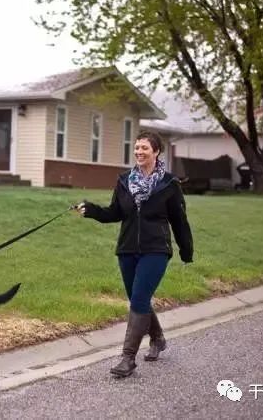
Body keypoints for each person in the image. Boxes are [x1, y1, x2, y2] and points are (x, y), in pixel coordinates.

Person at [75, 131, 193, 378]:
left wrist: (186, 250)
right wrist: (91, 210)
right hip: (127, 249)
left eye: (144, 149)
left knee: (139, 299)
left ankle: (127, 358)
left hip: (156, 249)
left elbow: (179, 220)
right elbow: (115, 212)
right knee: (138, 299)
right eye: (137, 148)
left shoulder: (169, 184)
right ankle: (158, 338)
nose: (139, 152)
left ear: (156, 152)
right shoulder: (124, 180)